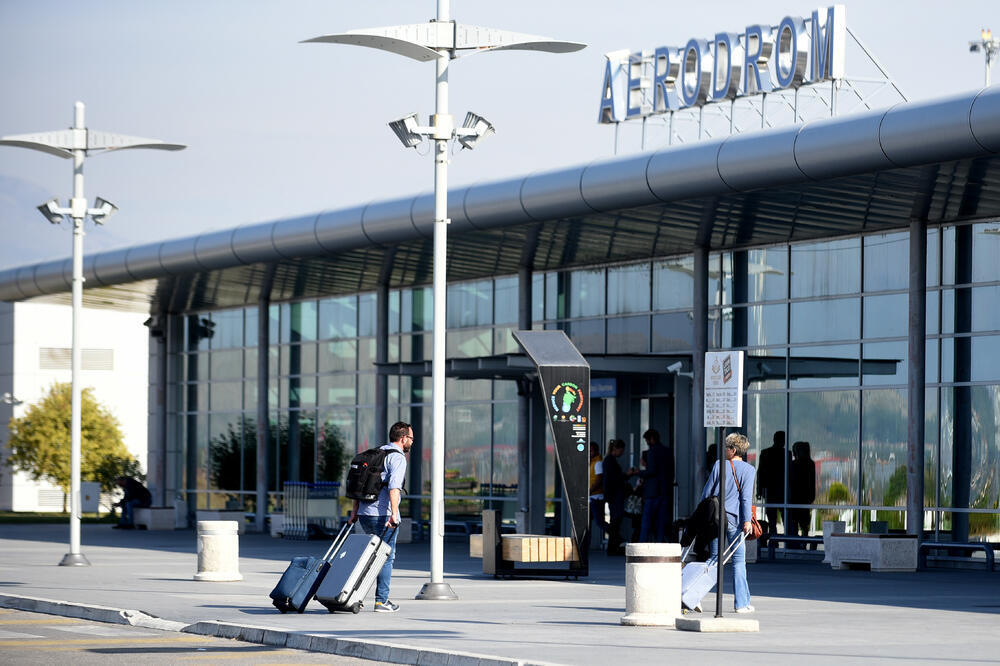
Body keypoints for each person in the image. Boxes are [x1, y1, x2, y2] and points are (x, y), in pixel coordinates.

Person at [349, 421, 411, 613]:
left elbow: (360, 485)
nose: (411, 442)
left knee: (369, 557)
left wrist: (354, 512)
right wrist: (394, 514)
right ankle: (381, 601)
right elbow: (394, 488)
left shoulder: (377, 453)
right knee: (386, 557)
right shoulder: (398, 458)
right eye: (411, 438)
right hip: (383, 515)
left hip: (365, 514)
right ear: (403, 438)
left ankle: (352, 595)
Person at [700, 432, 756, 613]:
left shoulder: (718, 466)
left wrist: (702, 512)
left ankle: (693, 595)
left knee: (715, 559)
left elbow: (707, 492)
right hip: (735, 520)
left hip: (716, 518)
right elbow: (746, 498)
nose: (724, 450)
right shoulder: (749, 470)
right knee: (739, 562)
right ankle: (741, 603)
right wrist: (747, 521)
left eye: (726, 447)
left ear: (733, 449)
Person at [629, 428, 675, 542]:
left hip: (652, 492)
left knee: (646, 521)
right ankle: (659, 544)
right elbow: (671, 471)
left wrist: (638, 472)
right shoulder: (668, 451)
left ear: (652, 439)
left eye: (647, 440)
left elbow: (652, 471)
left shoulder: (652, 452)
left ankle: (642, 545)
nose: (647, 443)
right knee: (661, 521)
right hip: (665, 490)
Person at [757, 430, 791, 537]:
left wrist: (759, 490)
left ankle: (773, 541)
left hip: (772, 490)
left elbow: (760, 473)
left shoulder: (766, 453)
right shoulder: (787, 454)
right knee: (782, 517)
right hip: (780, 490)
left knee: (772, 519)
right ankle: (785, 541)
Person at [602, 439, 627, 555]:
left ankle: (613, 545)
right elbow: (613, 479)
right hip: (614, 495)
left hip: (613, 495)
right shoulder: (610, 461)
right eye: (621, 450)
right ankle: (614, 545)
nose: (622, 453)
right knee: (615, 521)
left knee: (615, 521)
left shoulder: (609, 461)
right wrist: (626, 475)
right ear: (615, 449)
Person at [789, 441, 816, 544]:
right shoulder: (810, 464)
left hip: (796, 498)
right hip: (803, 498)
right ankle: (803, 543)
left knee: (796, 523)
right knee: (803, 524)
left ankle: (797, 543)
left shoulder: (794, 464)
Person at [588, 442, 605, 548]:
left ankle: (616, 537)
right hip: (591, 497)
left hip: (596, 497)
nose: (589, 453)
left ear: (596, 451)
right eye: (588, 451)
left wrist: (590, 490)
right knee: (587, 524)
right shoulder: (591, 463)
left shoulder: (598, 463)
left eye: (591, 451)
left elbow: (599, 479)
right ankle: (586, 545)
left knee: (600, 522)